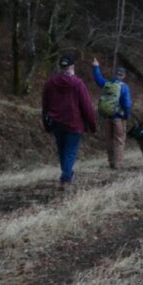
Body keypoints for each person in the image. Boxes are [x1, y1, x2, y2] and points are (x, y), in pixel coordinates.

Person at [42, 54, 97, 187]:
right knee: (70, 151)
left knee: (62, 149)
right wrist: (92, 124)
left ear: (61, 66)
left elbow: (45, 104)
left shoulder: (50, 82)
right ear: (72, 66)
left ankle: (66, 173)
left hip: (56, 122)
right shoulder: (78, 84)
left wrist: (46, 122)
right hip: (74, 123)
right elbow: (86, 106)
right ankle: (66, 176)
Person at [92, 58, 132, 169]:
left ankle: (110, 161)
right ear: (123, 76)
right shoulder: (124, 87)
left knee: (109, 140)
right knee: (119, 140)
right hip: (119, 118)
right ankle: (117, 164)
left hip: (107, 116)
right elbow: (127, 104)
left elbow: (98, 78)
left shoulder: (106, 84)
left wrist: (96, 67)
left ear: (115, 74)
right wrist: (126, 115)